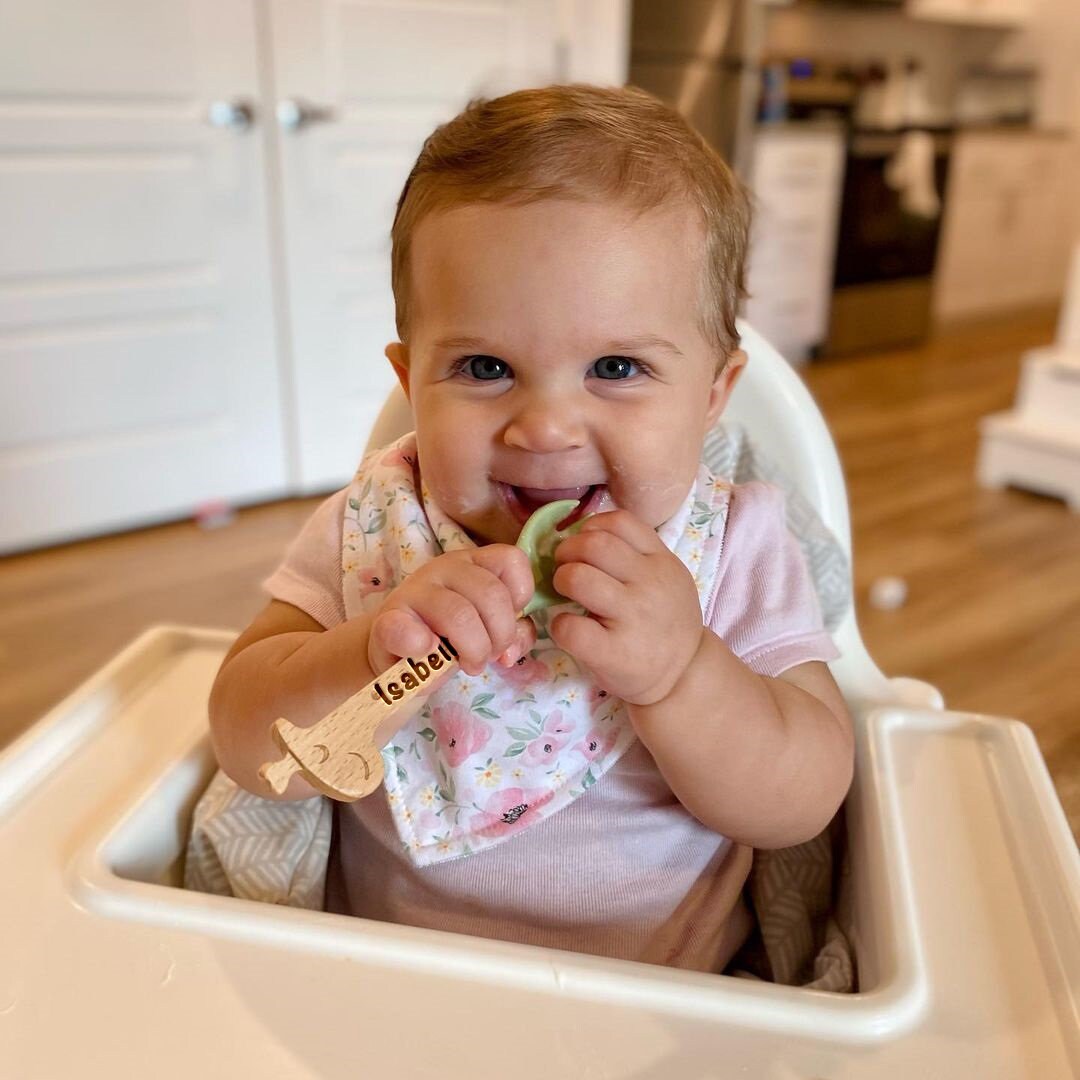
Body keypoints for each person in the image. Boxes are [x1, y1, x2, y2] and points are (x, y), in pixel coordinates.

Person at [208, 84, 853, 972]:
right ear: (411, 380)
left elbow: (805, 799)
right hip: (385, 980)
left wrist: (682, 673)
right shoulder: (377, 526)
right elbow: (245, 742)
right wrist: (363, 658)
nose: (544, 429)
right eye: (484, 367)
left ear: (712, 395)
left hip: (660, 999)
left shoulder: (733, 546)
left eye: (615, 367)